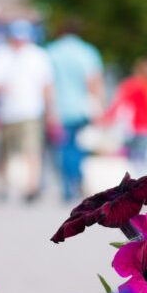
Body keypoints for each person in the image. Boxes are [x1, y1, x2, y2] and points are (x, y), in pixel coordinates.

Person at [0, 20, 56, 203]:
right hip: (5, 111)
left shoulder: (38, 56)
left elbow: (47, 86)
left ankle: (32, 187)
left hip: (30, 110)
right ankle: (2, 185)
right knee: (3, 151)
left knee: (32, 150)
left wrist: (51, 112)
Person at [46, 20, 104, 202]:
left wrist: (48, 110)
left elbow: (46, 83)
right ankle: (77, 179)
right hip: (82, 108)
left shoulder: (51, 51)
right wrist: (99, 105)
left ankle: (67, 184)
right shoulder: (87, 52)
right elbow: (93, 81)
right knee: (80, 146)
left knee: (63, 148)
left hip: (59, 108)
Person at [106, 57, 147, 175]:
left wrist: (106, 118)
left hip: (140, 132)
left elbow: (119, 103)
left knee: (140, 167)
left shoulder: (134, 84)